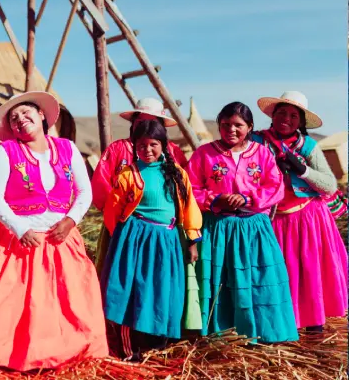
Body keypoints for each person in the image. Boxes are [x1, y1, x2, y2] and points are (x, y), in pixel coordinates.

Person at [0, 91, 108, 371]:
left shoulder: (68, 149)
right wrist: (21, 228)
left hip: (60, 237)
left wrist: (71, 220)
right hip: (18, 239)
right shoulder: (6, 152)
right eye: (14, 119)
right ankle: (13, 355)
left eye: (26, 113)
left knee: (66, 298)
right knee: (16, 302)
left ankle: (64, 353)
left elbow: (84, 191)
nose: (20, 120)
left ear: (41, 116)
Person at [187, 102, 298, 343]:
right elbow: (190, 188)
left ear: (249, 127)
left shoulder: (262, 153)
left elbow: (275, 187)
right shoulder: (203, 154)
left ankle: (262, 333)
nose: (231, 130)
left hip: (253, 229)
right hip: (218, 228)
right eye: (225, 124)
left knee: (257, 279)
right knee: (221, 281)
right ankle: (221, 335)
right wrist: (216, 198)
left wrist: (248, 198)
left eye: (238, 125)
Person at [100, 118, 203, 361]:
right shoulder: (128, 174)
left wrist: (192, 239)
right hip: (136, 240)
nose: (147, 150)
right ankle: (130, 349)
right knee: (134, 290)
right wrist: (124, 239)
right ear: (135, 146)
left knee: (162, 290)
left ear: (164, 145)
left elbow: (189, 208)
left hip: (166, 241)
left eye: (153, 145)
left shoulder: (177, 174)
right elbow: (112, 211)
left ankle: (157, 345)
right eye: (142, 145)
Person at [251, 91, 348, 332]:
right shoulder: (255, 142)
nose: (287, 118)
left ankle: (313, 323)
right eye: (282, 112)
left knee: (309, 270)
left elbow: (329, 184)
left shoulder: (309, 147)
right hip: (271, 218)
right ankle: (277, 324)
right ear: (272, 115)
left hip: (307, 217)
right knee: (276, 271)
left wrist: (303, 170)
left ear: (301, 122)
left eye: (294, 115)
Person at [90, 98, 188, 275]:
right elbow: (101, 183)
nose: (146, 126)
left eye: (153, 122)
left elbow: (183, 188)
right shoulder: (118, 149)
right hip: (121, 223)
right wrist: (117, 218)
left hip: (162, 228)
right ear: (134, 123)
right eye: (142, 121)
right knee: (119, 270)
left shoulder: (172, 152)